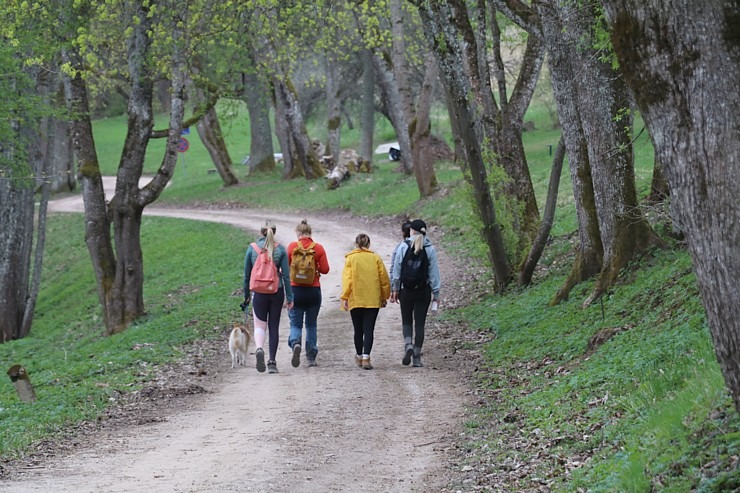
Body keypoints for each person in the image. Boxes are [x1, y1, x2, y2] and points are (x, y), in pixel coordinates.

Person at [243, 220, 294, 374]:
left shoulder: (252, 249)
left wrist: (246, 296)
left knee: (259, 326)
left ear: (261, 232)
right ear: (274, 232)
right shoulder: (280, 250)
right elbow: (286, 276)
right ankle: (272, 362)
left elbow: (246, 276)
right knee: (273, 327)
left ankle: (259, 348)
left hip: (258, 293)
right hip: (276, 292)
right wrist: (290, 297)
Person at [389, 219, 441, 367]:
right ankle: (417, 357)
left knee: (406, 320)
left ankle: (408, 345)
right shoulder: (430, 248)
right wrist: (436, 294)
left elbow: (397, 269)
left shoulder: (403, 246)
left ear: (411, 230)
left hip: (406, 290)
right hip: (423, 291)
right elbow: (434, 273)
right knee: (420, 323)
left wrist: (395, 289)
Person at [341, 234, 391, 370]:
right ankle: (366, 357)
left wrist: (345, 297)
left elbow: (348, 280)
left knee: (358, 330)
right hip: (372, 299)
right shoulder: (376, 258)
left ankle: (358, 355)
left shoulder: (350, 258)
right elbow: (384, 280)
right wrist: (384, 296)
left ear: (356, 244)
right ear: (369, 244)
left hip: (356, 298)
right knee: (369, 329)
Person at [287, 219, 330, 367]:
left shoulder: (293, 247)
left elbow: (285, 268)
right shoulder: (318, 248)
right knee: (311, 324)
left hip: (295, 290)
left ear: (298, 233)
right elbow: (325, 269)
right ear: (310, 233)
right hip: (313, 290)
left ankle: (295, 343)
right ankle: (311, 357)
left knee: (295, 323)